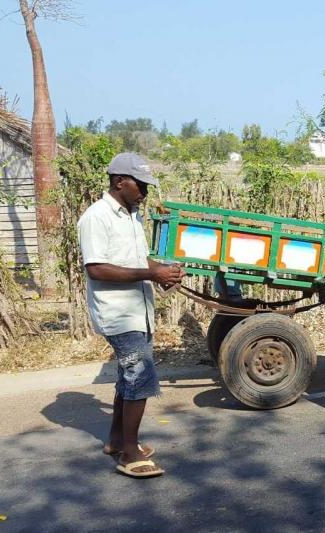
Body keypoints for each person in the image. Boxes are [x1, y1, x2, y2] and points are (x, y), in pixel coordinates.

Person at [78, 152, 185, 478]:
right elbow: (97, 268)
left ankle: (116, 440)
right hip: (119, 313)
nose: (145, 192)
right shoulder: (97, 217)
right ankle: (129, 453)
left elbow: (137, 260)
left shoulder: (130, 216)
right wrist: (151, 275)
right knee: (140, 377)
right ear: (119, 181)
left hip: (138, 310)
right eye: (140, 185)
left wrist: (163, 271)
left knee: (129, 375)